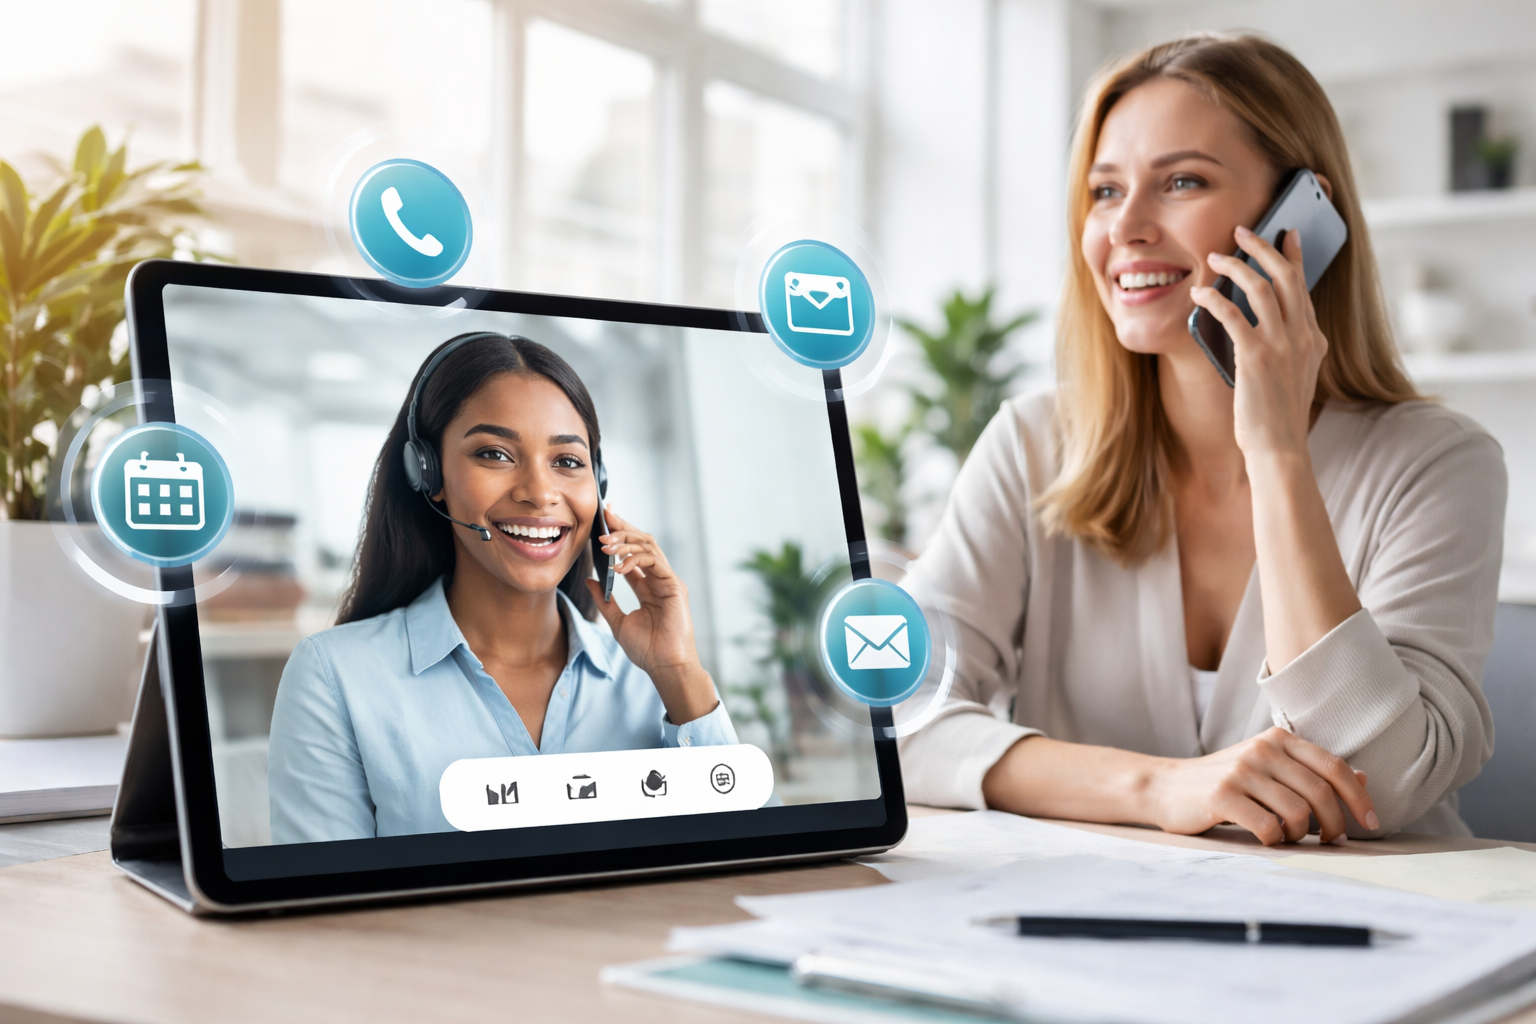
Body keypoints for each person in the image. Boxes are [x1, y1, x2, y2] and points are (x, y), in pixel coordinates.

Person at [899, 34, 1505, 843]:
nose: (1127, 228)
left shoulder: (1435, 463)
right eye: (1105, 191)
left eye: (1182, 181)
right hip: (1098, 932)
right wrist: (1156, 788)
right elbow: (893, 716)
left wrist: (1278, 451)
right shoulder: (1033, 444)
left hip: (1367, 936)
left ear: (1300, 219)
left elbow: (1380, 785)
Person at [269, 333, 735, 843]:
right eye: (494, 454)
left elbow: (757, 868)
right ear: (429, 473)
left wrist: (679, 675)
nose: (539, 492)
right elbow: (324, 910)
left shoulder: (651, 678)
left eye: (568, 461)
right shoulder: (335, 676)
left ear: (598, 483)